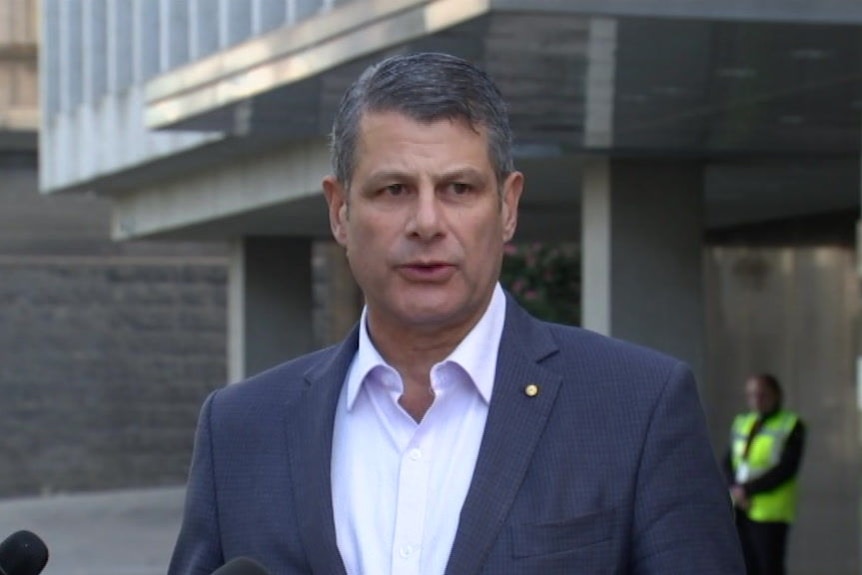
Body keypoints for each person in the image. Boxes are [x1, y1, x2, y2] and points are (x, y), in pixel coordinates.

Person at [168, 52, 744, 575]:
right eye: (394, 190)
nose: (427, 222)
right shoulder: (239, 430)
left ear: (508, 206)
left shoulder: (638, 409)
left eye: (458, 189)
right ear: (340, 211)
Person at [724, 373, 806, 575]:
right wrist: (735, 489)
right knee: (744, 567)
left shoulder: (791, 424)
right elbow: (729, 461)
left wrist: (746, 490)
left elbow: (786, 469)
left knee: (769, 567)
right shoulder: (743, 422)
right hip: (740, 508)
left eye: (762, 394)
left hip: (770, 511)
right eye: (751, 395)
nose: (756, 400)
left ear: (776, 395)